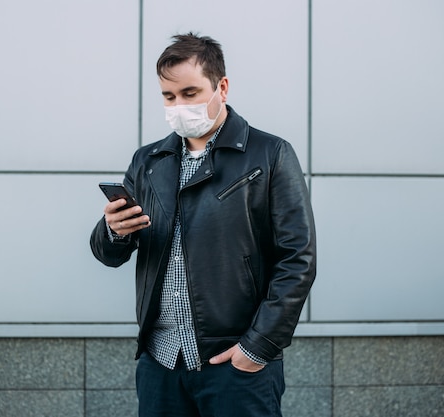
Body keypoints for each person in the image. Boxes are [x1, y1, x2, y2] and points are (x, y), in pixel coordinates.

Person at [91, 32, 316, 417]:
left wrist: (258, 347)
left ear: (221, 87)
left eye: (190, 93)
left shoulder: (270, 154)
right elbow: (107, 253)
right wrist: (113, 230)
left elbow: (297, 260)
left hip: (234, 364)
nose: (179, 106)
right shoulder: (148, 161)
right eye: (169, 96)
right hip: (160, 365)